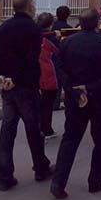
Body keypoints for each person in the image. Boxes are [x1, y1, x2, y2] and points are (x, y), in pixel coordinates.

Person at [0, 0, 54, 192]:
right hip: (25, 86)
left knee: (7, 131)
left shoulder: (3, 28)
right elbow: (30, 58)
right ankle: (41, 167)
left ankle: (5, 175)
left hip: (7, 87)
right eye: (33, 4)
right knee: (33, 129)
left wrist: (0, 76)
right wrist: (15, 78)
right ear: (29, 6)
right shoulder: (33, 30)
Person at [51, 8, 101, 199]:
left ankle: (58, 182)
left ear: (80, 23)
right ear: (97, 23)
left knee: (70, 139)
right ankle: (95, 181)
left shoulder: (67, 43)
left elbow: (60, 69)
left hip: (74, 99)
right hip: (100, 100)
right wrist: (88, 88)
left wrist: (73, 87)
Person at [37, 12, 61, 140]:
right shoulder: (50, 38)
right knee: (47, 103)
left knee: (39, 103)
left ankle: (39, 128)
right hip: (47, 73)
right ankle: (46, 129)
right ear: (51, 24)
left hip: (33, 73)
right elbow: (59, 51)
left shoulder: (32, 35)